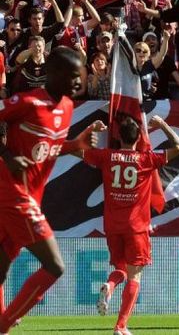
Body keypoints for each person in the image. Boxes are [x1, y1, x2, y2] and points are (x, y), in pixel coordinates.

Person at [0, 46, 103, 334]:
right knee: (55, 266)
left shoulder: (68, 107)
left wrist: (76, 145)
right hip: (13, 194)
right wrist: (8, 156)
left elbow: (47, 149)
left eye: (79, 75)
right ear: (53, 73)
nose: (77, 80)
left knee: (1, 269)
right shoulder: (30, 102)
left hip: (29, 196)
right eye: (71, 75)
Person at [82, 115, 179, 335]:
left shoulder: (106, 156)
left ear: (118, 137)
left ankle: (109, 286)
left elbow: (75, 149)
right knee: (134, 276)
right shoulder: (146, 159)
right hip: (136, 227)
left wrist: (90, 129)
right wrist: (163, 125)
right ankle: (121, 326)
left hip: (112, 226)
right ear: (139, 137)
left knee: (120, 268)